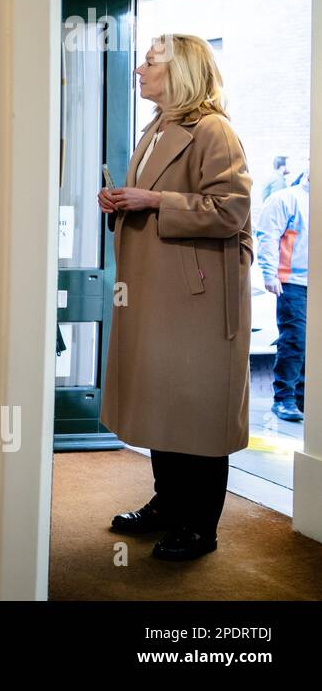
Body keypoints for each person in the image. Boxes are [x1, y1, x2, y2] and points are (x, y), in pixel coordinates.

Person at [97, 33, 252, 562]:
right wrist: (121, 200)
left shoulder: (213, 130)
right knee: (165, 401)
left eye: (149, 63)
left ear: (179, 71)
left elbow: (231, 210)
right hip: (159, 294)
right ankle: (167, 505)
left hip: (199, 298)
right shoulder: (157, 128)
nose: (139, 70)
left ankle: (199, 527)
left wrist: (153, 199)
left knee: (198, 411)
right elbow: (159, 202)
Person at [257, 173, 308, 421]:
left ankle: (304, 399)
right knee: (295, 340)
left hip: (314, 283)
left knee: (312, 346)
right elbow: (268, 236)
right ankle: (284, 399)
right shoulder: (286, 199)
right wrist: (270, 274)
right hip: (293, 282)